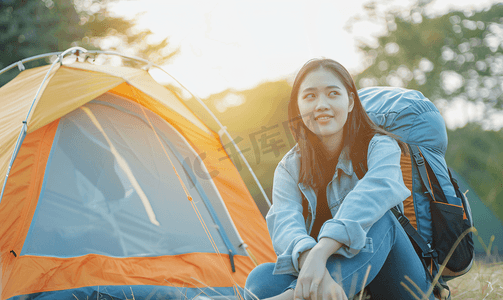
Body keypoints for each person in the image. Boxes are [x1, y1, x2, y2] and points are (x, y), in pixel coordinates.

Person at [244, 58, 435, 300]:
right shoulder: (289, 167)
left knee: (382, 220)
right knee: (261, 278)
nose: (321, 105)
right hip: (337, 284)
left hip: (400, 284)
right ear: (298, 107)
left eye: (333, 93)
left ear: (351, 101)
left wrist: (321, 250)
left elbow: (372, 196)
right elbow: (285, 222)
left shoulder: (380, 147)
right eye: (310, 96)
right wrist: (309, 257)